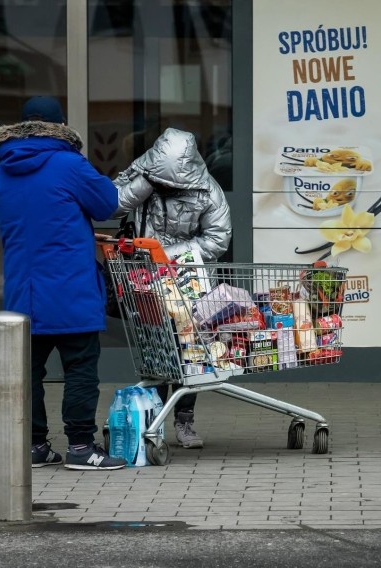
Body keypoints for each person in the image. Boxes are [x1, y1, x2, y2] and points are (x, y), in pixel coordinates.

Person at [0, 95, 126, 470]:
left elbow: (15, 219)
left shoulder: (1, 170)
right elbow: (106, 203)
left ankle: (34, 447)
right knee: (80, 367)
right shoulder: (68, 163)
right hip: (70, 289)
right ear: (60, 125)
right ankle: (81, 447)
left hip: (23, 291)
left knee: (28, 372)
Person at [113, 127, 232, 448]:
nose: (165, 187)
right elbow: (111, 205)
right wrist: (145, 183)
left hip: (187, 280)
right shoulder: (142, 176)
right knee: (156, 350)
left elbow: (217, 239)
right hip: (144, 280)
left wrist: (166, 255)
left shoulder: (208, 192)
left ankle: (184, 421)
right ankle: (154, 419)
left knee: (189, 351)